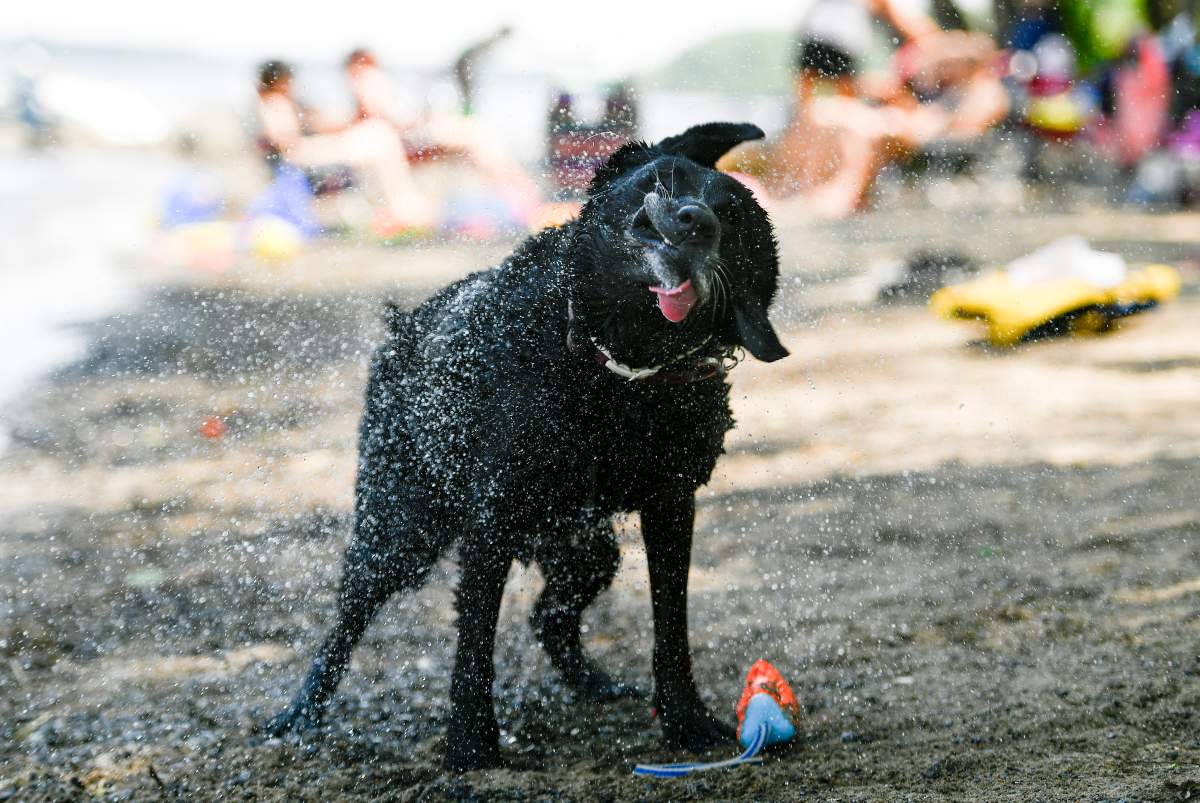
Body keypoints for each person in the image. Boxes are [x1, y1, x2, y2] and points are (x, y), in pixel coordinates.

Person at [719, 0, 1008, 217]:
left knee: (851, 124)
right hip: (907, 126)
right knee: (826, 114)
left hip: (918, 133)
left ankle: (845, 193)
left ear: (972, 63)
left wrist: (923, 119)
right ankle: (799, 187)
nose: (943, 65)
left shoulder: (986, 90)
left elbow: (966, 127)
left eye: (952, 59)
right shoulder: (943, 88)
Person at [343, 48, 542, 225]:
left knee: (475, 132)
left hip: (409, 140)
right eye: (360, 76)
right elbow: (380, 122)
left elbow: (400, 119)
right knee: (474, 133)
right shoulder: (369, 102)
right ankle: (527, 203)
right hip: (401, 146)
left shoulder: (373, 86)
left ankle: (525, 199)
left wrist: (421, 121)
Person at [254, 60, 437, 233]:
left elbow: (310, 129)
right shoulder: (275, 103)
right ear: (281, 81)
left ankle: (401, 204)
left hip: (308, 153)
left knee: (378, 136)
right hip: (302, 158)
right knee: (379, 137)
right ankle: (402, 205)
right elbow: (287, 146)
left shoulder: (278, 104)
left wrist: (332, 125)